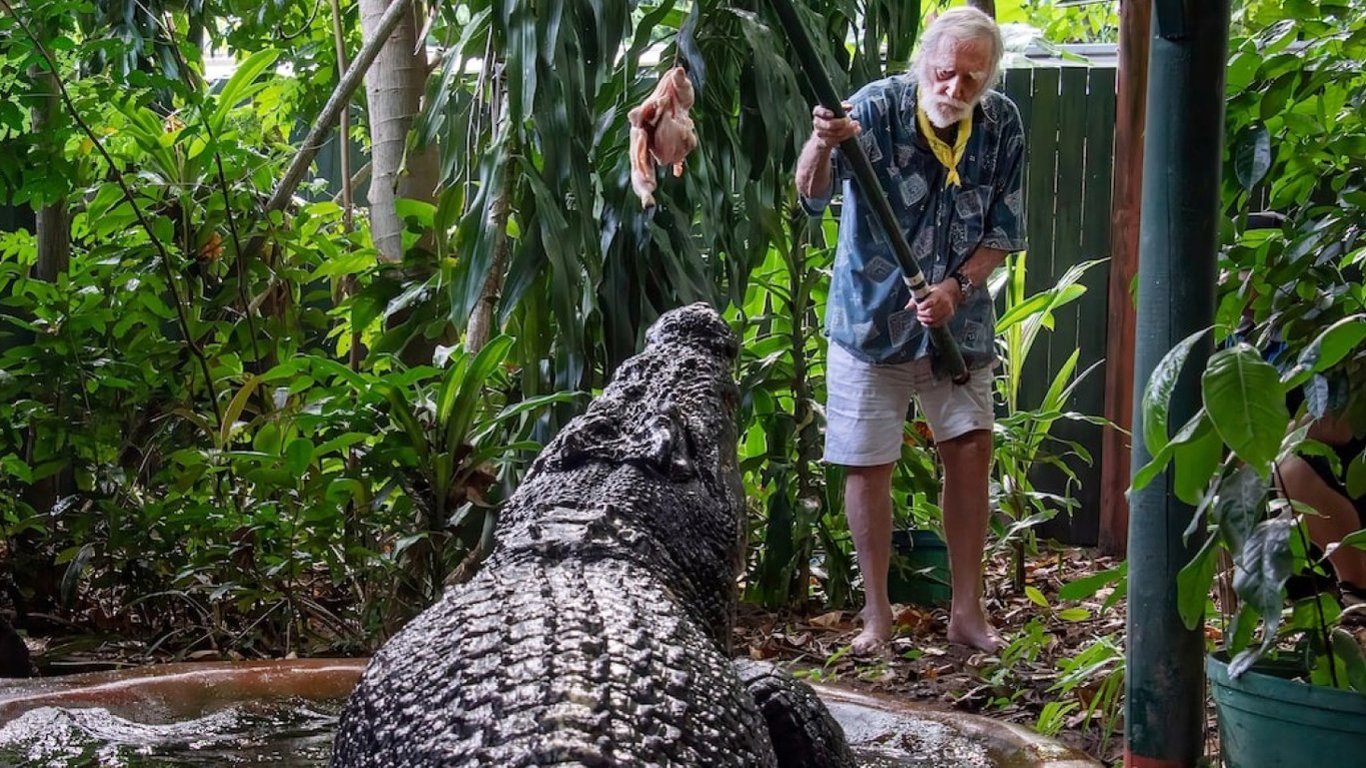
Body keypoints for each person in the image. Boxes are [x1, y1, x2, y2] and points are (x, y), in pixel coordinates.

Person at [795, 7, 1025, 654]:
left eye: (970, 81)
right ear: (923, 62)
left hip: (958, 323)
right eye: (945, 73)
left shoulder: (1002, 124)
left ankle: (967, 615)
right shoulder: (872, 109)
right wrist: (821, 140)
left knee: (971, 447)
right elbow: (810, 196)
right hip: (870, 320)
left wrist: (958, 287)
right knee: (868, 463)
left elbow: (1004, 233)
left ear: (989, 80)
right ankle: (876, 618)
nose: (953, 90)